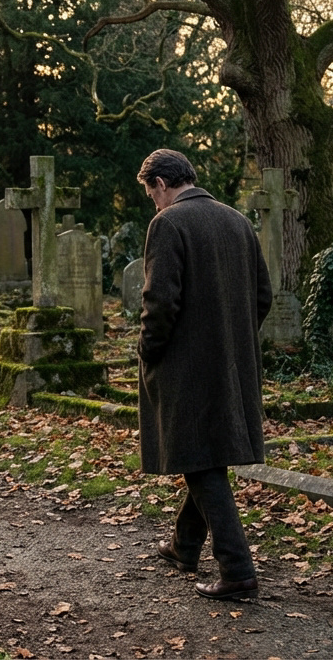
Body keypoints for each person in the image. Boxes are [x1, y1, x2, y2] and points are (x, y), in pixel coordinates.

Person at [136, 149, 272, 601]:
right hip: (233, 362)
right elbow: (263, 296)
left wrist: (148, 351)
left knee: (197, 458)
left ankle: (237, 570)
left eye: (150, 193)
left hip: (185, 366)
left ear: (160, 183)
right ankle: (184, 546)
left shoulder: (169, 224)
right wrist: (231, 338)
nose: (153, 203)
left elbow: (160, 304)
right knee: (206, 452)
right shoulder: (237, 221)